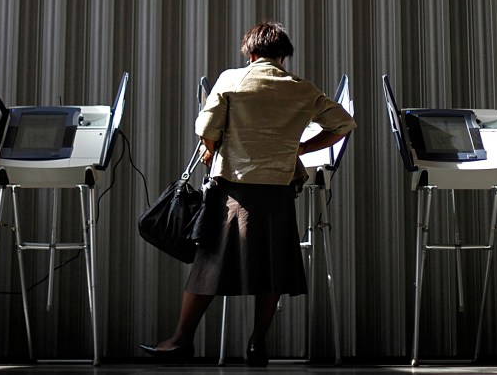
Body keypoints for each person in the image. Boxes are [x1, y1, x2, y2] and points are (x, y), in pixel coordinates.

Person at [140, 21, 357, 367]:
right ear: (283, 55)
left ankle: (181, 340)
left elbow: (206, 128)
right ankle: (257, 344)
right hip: (279, 192)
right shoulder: (302, 88)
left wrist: (211, 151)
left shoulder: (232, 79)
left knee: (208, 265)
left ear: (251, 52)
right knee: (271, 267)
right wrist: (300, 148)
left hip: (234, 192)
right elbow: (344, 124)